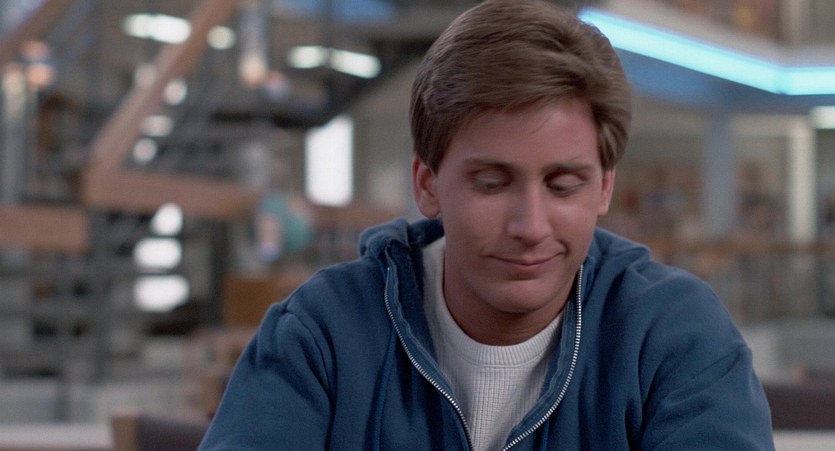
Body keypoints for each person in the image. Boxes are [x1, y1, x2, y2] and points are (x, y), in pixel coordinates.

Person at [199, 0, 774, 449]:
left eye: (563, 185)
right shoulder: (321, 335)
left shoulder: (675, 336)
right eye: (492, 183)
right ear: (427, 184)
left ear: (604, 188)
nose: (530, 226)